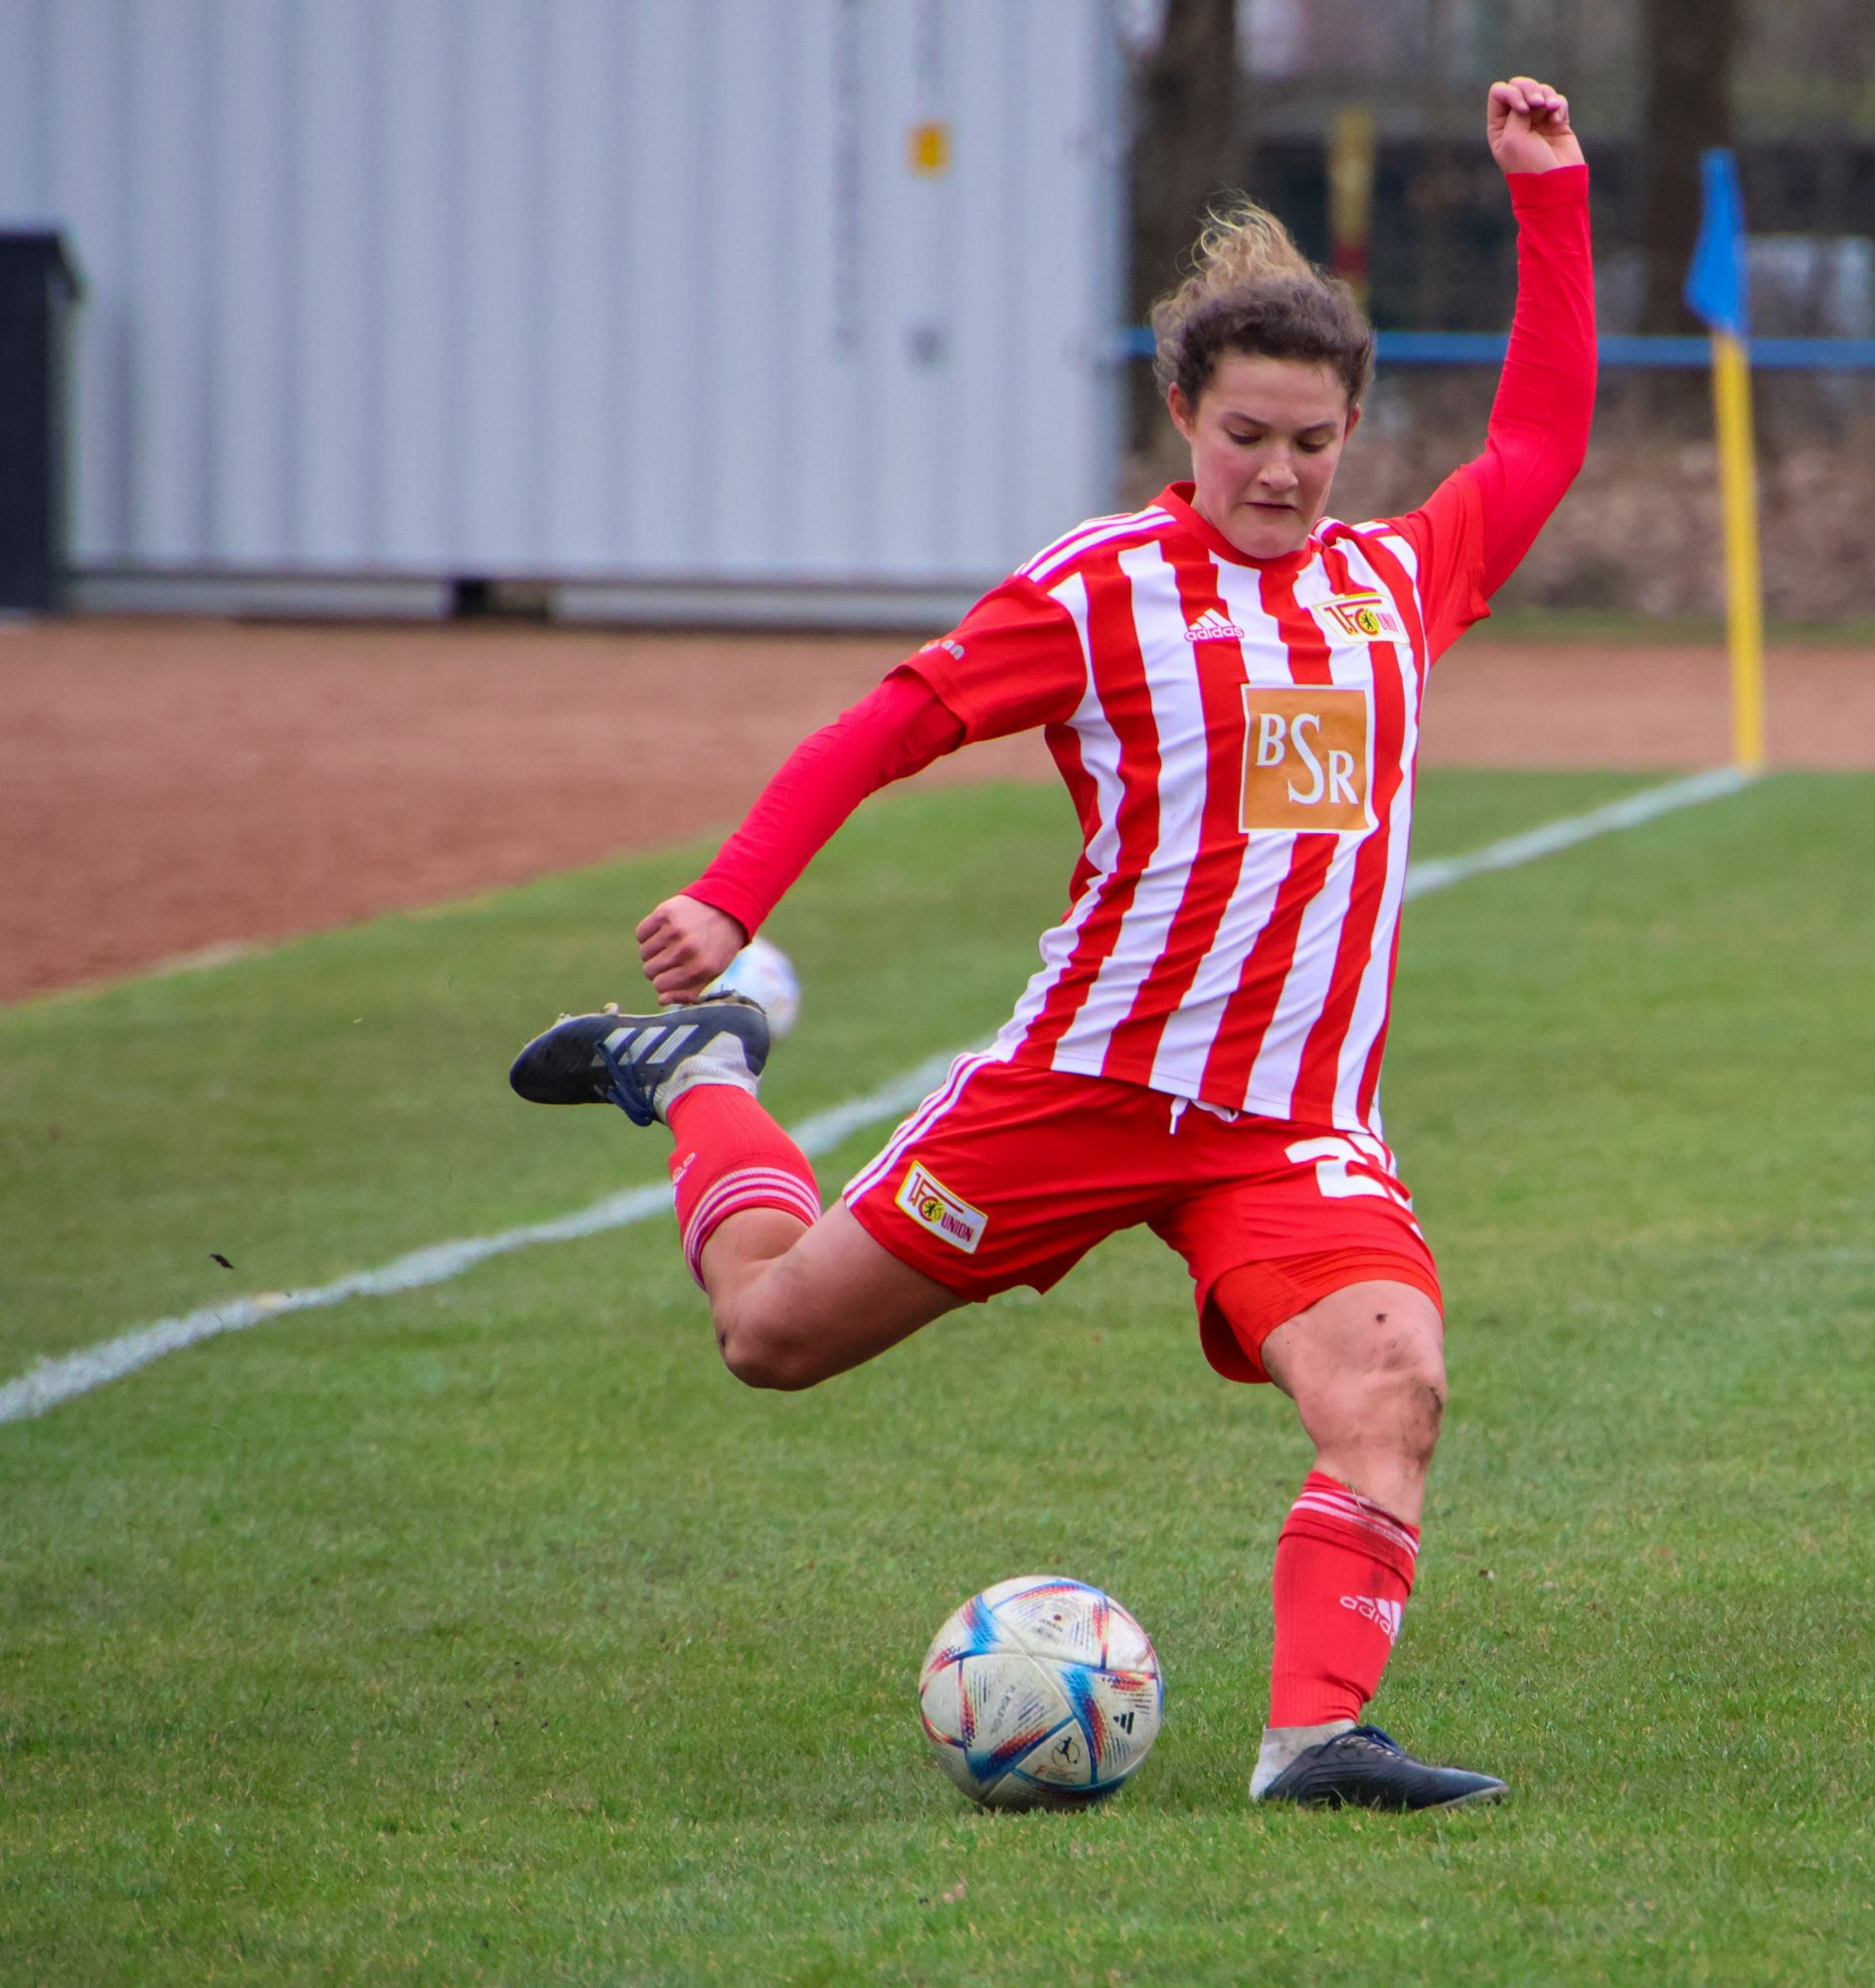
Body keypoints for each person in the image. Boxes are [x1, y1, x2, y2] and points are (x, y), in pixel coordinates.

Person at [510, 78, 1593, 1807]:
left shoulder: (1397, 582)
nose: (1283, 471)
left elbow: (1537, 444)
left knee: (1390, 1383)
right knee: (770, 1336)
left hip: (1291, 1129)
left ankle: (1317, 1738)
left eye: (1315, 441)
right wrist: (733, 896)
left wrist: (1553, 196)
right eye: (1247, 433)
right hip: (1077, 1089)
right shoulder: (1101, 591)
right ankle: (702, 1077)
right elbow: (889, 726)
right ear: (1181, 410)